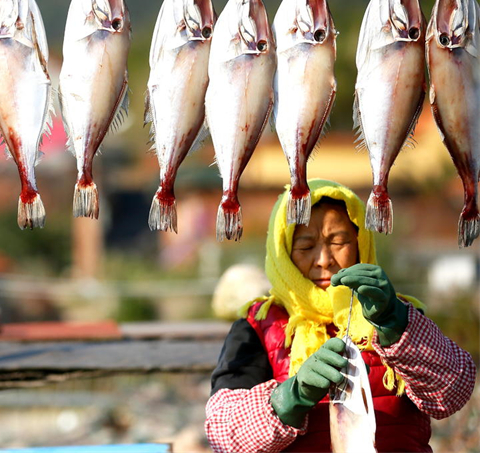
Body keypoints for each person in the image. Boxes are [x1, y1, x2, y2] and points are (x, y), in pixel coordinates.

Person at [204, 179, 477, 452]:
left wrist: (395, 324)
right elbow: (223, 434)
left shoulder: (393, 312)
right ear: (284, 253)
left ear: (360, 243)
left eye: (338, 241)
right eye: (306, 246)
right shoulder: (259, 325)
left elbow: (452, 394)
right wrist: (291, 395)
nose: (324, 259)